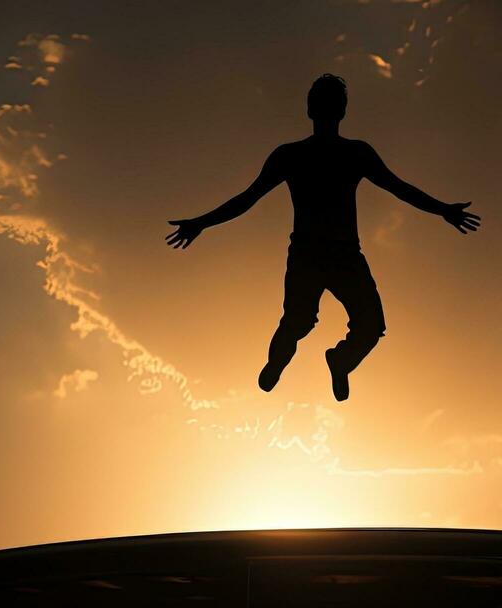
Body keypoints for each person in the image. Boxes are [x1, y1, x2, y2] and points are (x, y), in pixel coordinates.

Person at [166, 73, 480, 401]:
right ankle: (277, 363)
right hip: (308, 253)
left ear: (327, 112)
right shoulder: (292, 155)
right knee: (300, 321)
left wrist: (443, 209)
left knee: (368, 325)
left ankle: (339, 360)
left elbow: (398, 187)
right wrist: (201, 222)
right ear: (322, 111)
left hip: (344, 255)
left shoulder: (354, 154)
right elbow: (248, 198)